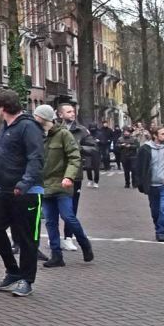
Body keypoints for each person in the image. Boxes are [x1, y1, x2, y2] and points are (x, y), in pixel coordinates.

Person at [0, 88, 45, 297]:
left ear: (2, 107)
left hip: (25, 192)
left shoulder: (28, 127)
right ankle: (12, 271)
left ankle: (26, 279)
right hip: (1, 189)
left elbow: (36, 158)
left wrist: (24, 183)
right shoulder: (5, 127)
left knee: (26, 236)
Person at [32, 106, 92, 268]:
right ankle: (56, 255)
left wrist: (69, 176)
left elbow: (74, 157)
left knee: (68, 216)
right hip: (44, 185)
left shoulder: (63, 134)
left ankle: (84, 243)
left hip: (61, 183)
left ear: (44, 117)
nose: (34, 119)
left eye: (36, 116)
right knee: (50, 221)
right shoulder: (36, 136)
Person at [58, 103, 96, 254]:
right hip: (55, 174)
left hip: (75, 174)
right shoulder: (54, 130)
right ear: (60, 114)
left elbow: (93, 148)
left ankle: (68, 237)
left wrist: (78, 149)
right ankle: (54, 237)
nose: (72, 114)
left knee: (71, 208)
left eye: (73, 111)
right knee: (53, 206)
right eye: (68, 112)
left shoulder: (81, 131)